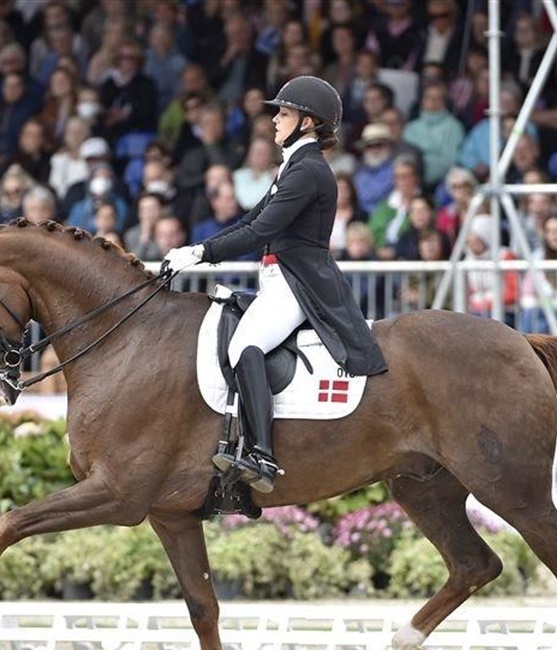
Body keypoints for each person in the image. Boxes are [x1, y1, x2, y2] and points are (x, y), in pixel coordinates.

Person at [162, 76, 388, 492]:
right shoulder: (294, 166)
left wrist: (201, 254)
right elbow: (249, 220)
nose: (275, 120)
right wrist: (196, 249)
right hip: (279, 279)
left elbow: (260, 230)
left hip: (298, 283)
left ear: (307, 122)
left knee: (244, 346)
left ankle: (261, 455)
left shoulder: (309, 171)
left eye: (284, 113)